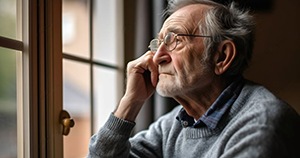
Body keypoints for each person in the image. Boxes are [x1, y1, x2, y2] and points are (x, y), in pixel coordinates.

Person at [88, 0, 300, 157]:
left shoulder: (262, 123)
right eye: (157, 43)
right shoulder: (173, 125)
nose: (157, 57)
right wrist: (130, 103)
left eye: (175, 40)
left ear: (222, 56)